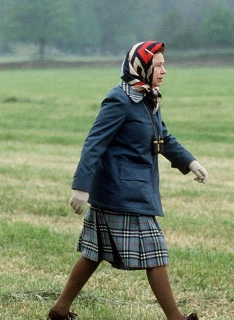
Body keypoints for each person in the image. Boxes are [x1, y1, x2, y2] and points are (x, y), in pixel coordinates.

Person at [47, 41, 207, 320]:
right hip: (121, 193)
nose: (164, 70)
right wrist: (81, 187)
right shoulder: (119, 100)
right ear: (141, 66)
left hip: (133, 190)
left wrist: (190, 162)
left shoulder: (148, 99)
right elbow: (94, 143)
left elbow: (163, 138)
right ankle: (176, 318)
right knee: (156, 251)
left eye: (163, 65)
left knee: (93, 254)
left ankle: (59, 311)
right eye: (157, 65)